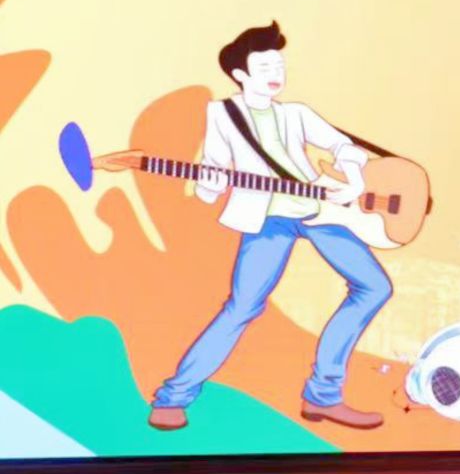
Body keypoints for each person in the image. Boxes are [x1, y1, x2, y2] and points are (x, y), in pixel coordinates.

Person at [148, 22, 391, 432]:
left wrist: (352, 179)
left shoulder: (295, 114)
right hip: (266, 220)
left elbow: (343, 146)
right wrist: (209, 182)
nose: (276, 73)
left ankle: (323, 395)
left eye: (279, 65)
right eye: (264, 67)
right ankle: (172, 398)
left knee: (375, 287)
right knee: (243, 307)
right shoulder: (222, 114)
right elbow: (211, 178)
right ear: (240, 74)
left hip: (319, 210)